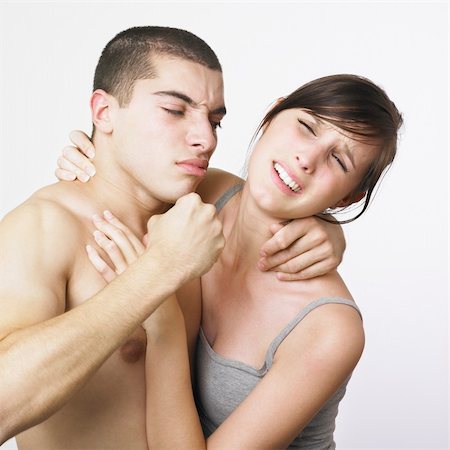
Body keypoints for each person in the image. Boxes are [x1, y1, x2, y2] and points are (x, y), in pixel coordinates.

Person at [0, 26, 344, 449]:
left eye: (215, 119)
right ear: (104, 112)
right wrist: (153, 277)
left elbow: (278, 193)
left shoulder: (197, 211)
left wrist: (327, 227)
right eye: (174, 111)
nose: (206, 139)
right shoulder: (44, 228)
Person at [63, 73, 402, 448]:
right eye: (306, 127)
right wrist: (87, 161)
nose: (307, 159)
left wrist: (163, 324)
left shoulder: (328, 329)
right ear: (273, 113)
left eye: (338, 160)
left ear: (348, 198)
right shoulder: (201, 193)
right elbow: (119, 173)